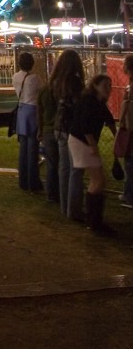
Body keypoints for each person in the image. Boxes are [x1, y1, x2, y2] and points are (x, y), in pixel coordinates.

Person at [69, 73, 117, 234]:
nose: (108, 89)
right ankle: (95, 221)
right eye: (105, 86)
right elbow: (85, 125)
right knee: (98, 180)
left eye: (110, 86)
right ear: (95, 85)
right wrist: (93, 146)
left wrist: (116, 135)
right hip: (81, 141)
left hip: (83, 141)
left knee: (98, 180)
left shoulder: (98, 102)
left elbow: (108, 118)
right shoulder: (89, 101)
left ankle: (94, 220)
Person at [51, 48, 86, 220]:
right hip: (72, 128)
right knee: (76, 170)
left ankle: (65, 207)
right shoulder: (75, 82)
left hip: (59, 127)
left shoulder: (56, 81)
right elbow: (78, 106)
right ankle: (74, 210)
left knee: (64, 168)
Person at [12, 51, 43, 193]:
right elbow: (43, 92)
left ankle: (23, 181)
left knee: (23, 148)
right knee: (33, 149)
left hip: (21, 110)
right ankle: (33, 182)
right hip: (32, 111)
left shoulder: (15, 77)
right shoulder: (35, 78)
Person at [37, 65, 60, 203]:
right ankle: (62, 192)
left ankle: (51, 194)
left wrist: (40, 130)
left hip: (47, 130)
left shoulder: (44, 90)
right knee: (63, 164)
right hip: (60, 129)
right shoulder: (63, 90)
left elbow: (39, 112)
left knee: (51, 164)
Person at [116, 54, 133, 209]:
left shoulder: (131, 87)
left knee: (129, 162)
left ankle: (129, 196)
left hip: (130, 128)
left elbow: (127, 109)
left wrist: (123, 124)